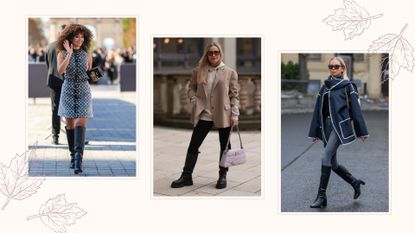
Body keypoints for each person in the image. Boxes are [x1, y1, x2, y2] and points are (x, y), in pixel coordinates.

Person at [171, 42, 240, 189]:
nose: (213, 55)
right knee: (193, 145)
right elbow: (191, 88)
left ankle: (222, 175)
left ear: (221, 54)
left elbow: (234, 95)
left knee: (225, 146)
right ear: (207, 55)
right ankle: (186, 176)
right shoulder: (199, 70)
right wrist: (195, 100)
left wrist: (235, 114)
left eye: (216, 52)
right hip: (205, 114)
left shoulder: (229, 72)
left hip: (224, 113)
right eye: (210, 53)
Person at [308, 56, 369, 208]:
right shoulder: (325, 87)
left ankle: (321, 196)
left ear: (342, 68)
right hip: (326, 125)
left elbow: (356, 109)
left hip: (339, 127)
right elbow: (318, 110)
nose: (333, 69)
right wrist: (315, 131)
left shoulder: (348, 86)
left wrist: (362, 131)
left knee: (325, 156)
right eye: (331, 66)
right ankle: (354, 182)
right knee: (332, 163)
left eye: (336, 66)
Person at [56, 24, 98, 174]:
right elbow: (60, 71)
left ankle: (79, 161)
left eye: (82, 36)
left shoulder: (87, 53)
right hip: (67, 90)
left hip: (83, 91)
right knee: (70, 125)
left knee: (81, 122)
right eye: (76, 36)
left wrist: (97, 74)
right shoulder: (61, 53)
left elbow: (91, 74)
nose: (80, 39)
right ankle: (73, 156)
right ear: (69, 38)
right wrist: (69, 54)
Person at [45, 24, 65, 145]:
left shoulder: (50, 46)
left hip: (54, 81)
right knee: (71, 110)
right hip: (67, 81)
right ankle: (75, 137)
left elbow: (47, 64)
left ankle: (55, 135)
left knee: (55, 109)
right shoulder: (72, 48)